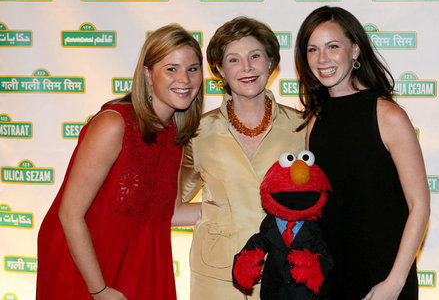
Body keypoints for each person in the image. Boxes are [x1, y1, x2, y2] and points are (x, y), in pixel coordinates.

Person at [36, 24, 203, 300]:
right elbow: (69, 214)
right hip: (86, 264)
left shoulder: (174, 134)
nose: (184, 79)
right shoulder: (114, 123)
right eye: (171, 68)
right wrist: (99, 290)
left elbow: (166, 214)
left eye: (192, 69)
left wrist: (234, 206)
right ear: (148, 75)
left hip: (138, 259)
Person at [295, 6, 430, 300]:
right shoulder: (315, 122)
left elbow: (419, 205)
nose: (322, 58)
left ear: (355, 50)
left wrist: (394, 282)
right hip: (332, 277)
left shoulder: (387, 115)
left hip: (384, 276)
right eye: (312, 49)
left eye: (333, 46)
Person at [179, 16, 306, 299]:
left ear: (271, 62)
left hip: (283, 268)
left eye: (255, 56)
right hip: (216, 272)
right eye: (234, 60)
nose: (246, 67)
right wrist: (220, 211)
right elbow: (172, 206)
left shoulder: (301, 126)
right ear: (219, 70)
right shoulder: (198, 132)